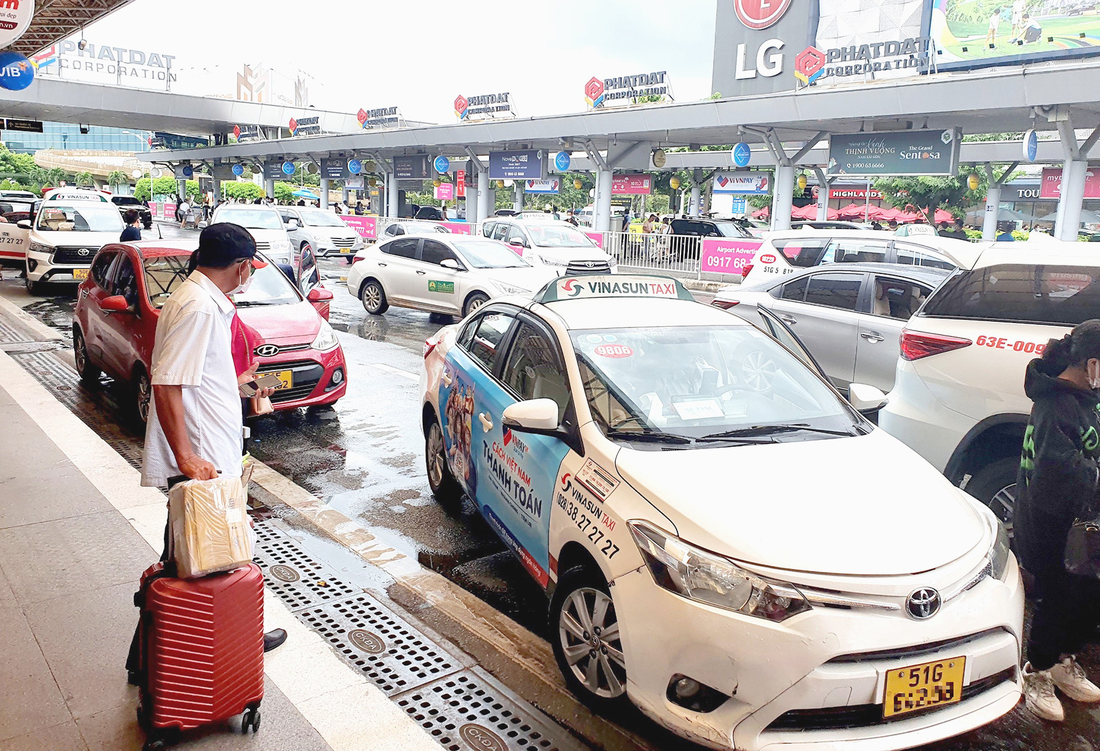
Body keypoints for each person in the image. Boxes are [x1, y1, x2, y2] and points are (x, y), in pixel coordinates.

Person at [130, 223, 287, 679]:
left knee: (196, 555)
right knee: (200, 557)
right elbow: (168, 383)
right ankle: (163, 656)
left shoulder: (199, 299)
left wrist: (246, 386)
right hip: (202, 460)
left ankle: (160, 655)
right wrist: (186, 458)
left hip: (211, 451)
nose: (249, 275)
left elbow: (196, 376)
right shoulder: (199, 307)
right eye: (250, 268)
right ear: (240, 267)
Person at [1015, 321, 1100, 721]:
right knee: (1059, 600)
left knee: (1086, 600)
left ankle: (1065, 661)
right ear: (1090, 364)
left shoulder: (1089, 398)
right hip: (1054, 528)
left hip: (1086, 525)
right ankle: (1038, 668)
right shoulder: (1055, 405)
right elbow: (1054, 475)